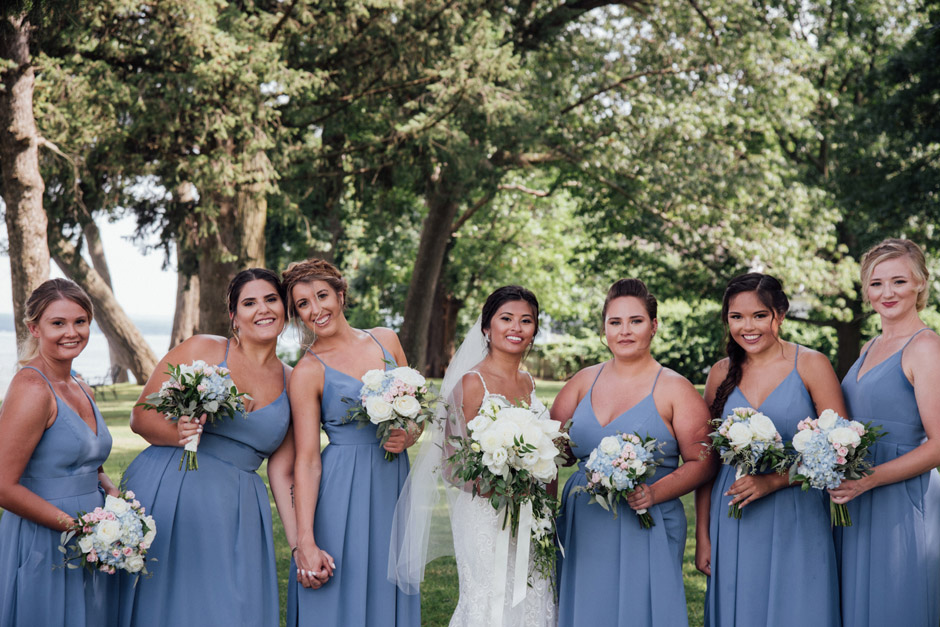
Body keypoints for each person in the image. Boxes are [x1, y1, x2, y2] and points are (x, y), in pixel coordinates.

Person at [118, 268, 295, 626]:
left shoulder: (295, 380)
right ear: (234, 316)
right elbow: (140, 417)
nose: (262, 309)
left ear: (285, 309)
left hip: (236, 506)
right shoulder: (202, 348)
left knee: (227, 604)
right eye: (249, 302)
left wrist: (299, 543)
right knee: (162, 599)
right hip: (170, 485)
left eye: (271, 299)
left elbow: (285, 470)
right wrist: (182, 430)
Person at [553, 278, 715, 627]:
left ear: (653, 326)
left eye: (636, 321)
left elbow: (703, 462)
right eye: (615, 322)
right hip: (584, 521)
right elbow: (551, 448)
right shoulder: (583, 381)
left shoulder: (675, 388)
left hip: (648, 519)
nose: (624, 331)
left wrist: (653, 492)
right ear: (604, 329)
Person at [696, 273, 843, 626]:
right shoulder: (720, 373)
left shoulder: (811, 364)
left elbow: (840, 450)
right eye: (737, 317)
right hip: (733, 512)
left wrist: (774, 481)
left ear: (780, 314)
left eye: (759, 315)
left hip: (797, 511)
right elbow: (707, 461)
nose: (748, 326)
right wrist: (703, 535)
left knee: (798, 608)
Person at [285, 258, 420, 627]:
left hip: (392, 483)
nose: (316, 309)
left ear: (341, 295)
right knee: (340, 589)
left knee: (387, 582)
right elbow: (308, 460)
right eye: (303, 304)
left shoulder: (386, 339)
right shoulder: (307, 371)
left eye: (322, 295)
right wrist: (305, 541)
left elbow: (416, 413)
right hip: (341, 490)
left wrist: (410, 434)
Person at [830, 238, 940, 626]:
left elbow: (939, 445)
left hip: (900, 498)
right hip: (858, 496)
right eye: (876, 283)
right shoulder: (871, 345)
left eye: (899, 281)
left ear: (920, 284)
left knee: (896, 606)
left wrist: (868, 480)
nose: (887, 292)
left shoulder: (925, 348)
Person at [0, 278, 119, 626]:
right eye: (58, 323)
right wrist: (77, 529)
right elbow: (3, 486)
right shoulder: (32, 388)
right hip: (46, 537)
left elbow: (90, 464)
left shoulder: (81, 385)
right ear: (33, 328)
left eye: (80, 321)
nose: (72, 332)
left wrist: (110, 492)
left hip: (94, 535)